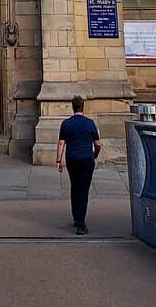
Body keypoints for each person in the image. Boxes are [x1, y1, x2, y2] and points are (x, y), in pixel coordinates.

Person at [56, 95, 104, 235]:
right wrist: (95, 154)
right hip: (86, 159)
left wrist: (58, 161)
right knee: (83, 190)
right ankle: (81, 224)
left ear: (73, 107)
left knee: (75, 187)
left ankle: (76, 217)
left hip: (72, 158)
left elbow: (61, 143)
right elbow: (97, 143)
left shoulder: (66, 124)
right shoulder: (89, 123)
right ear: (83, 107)